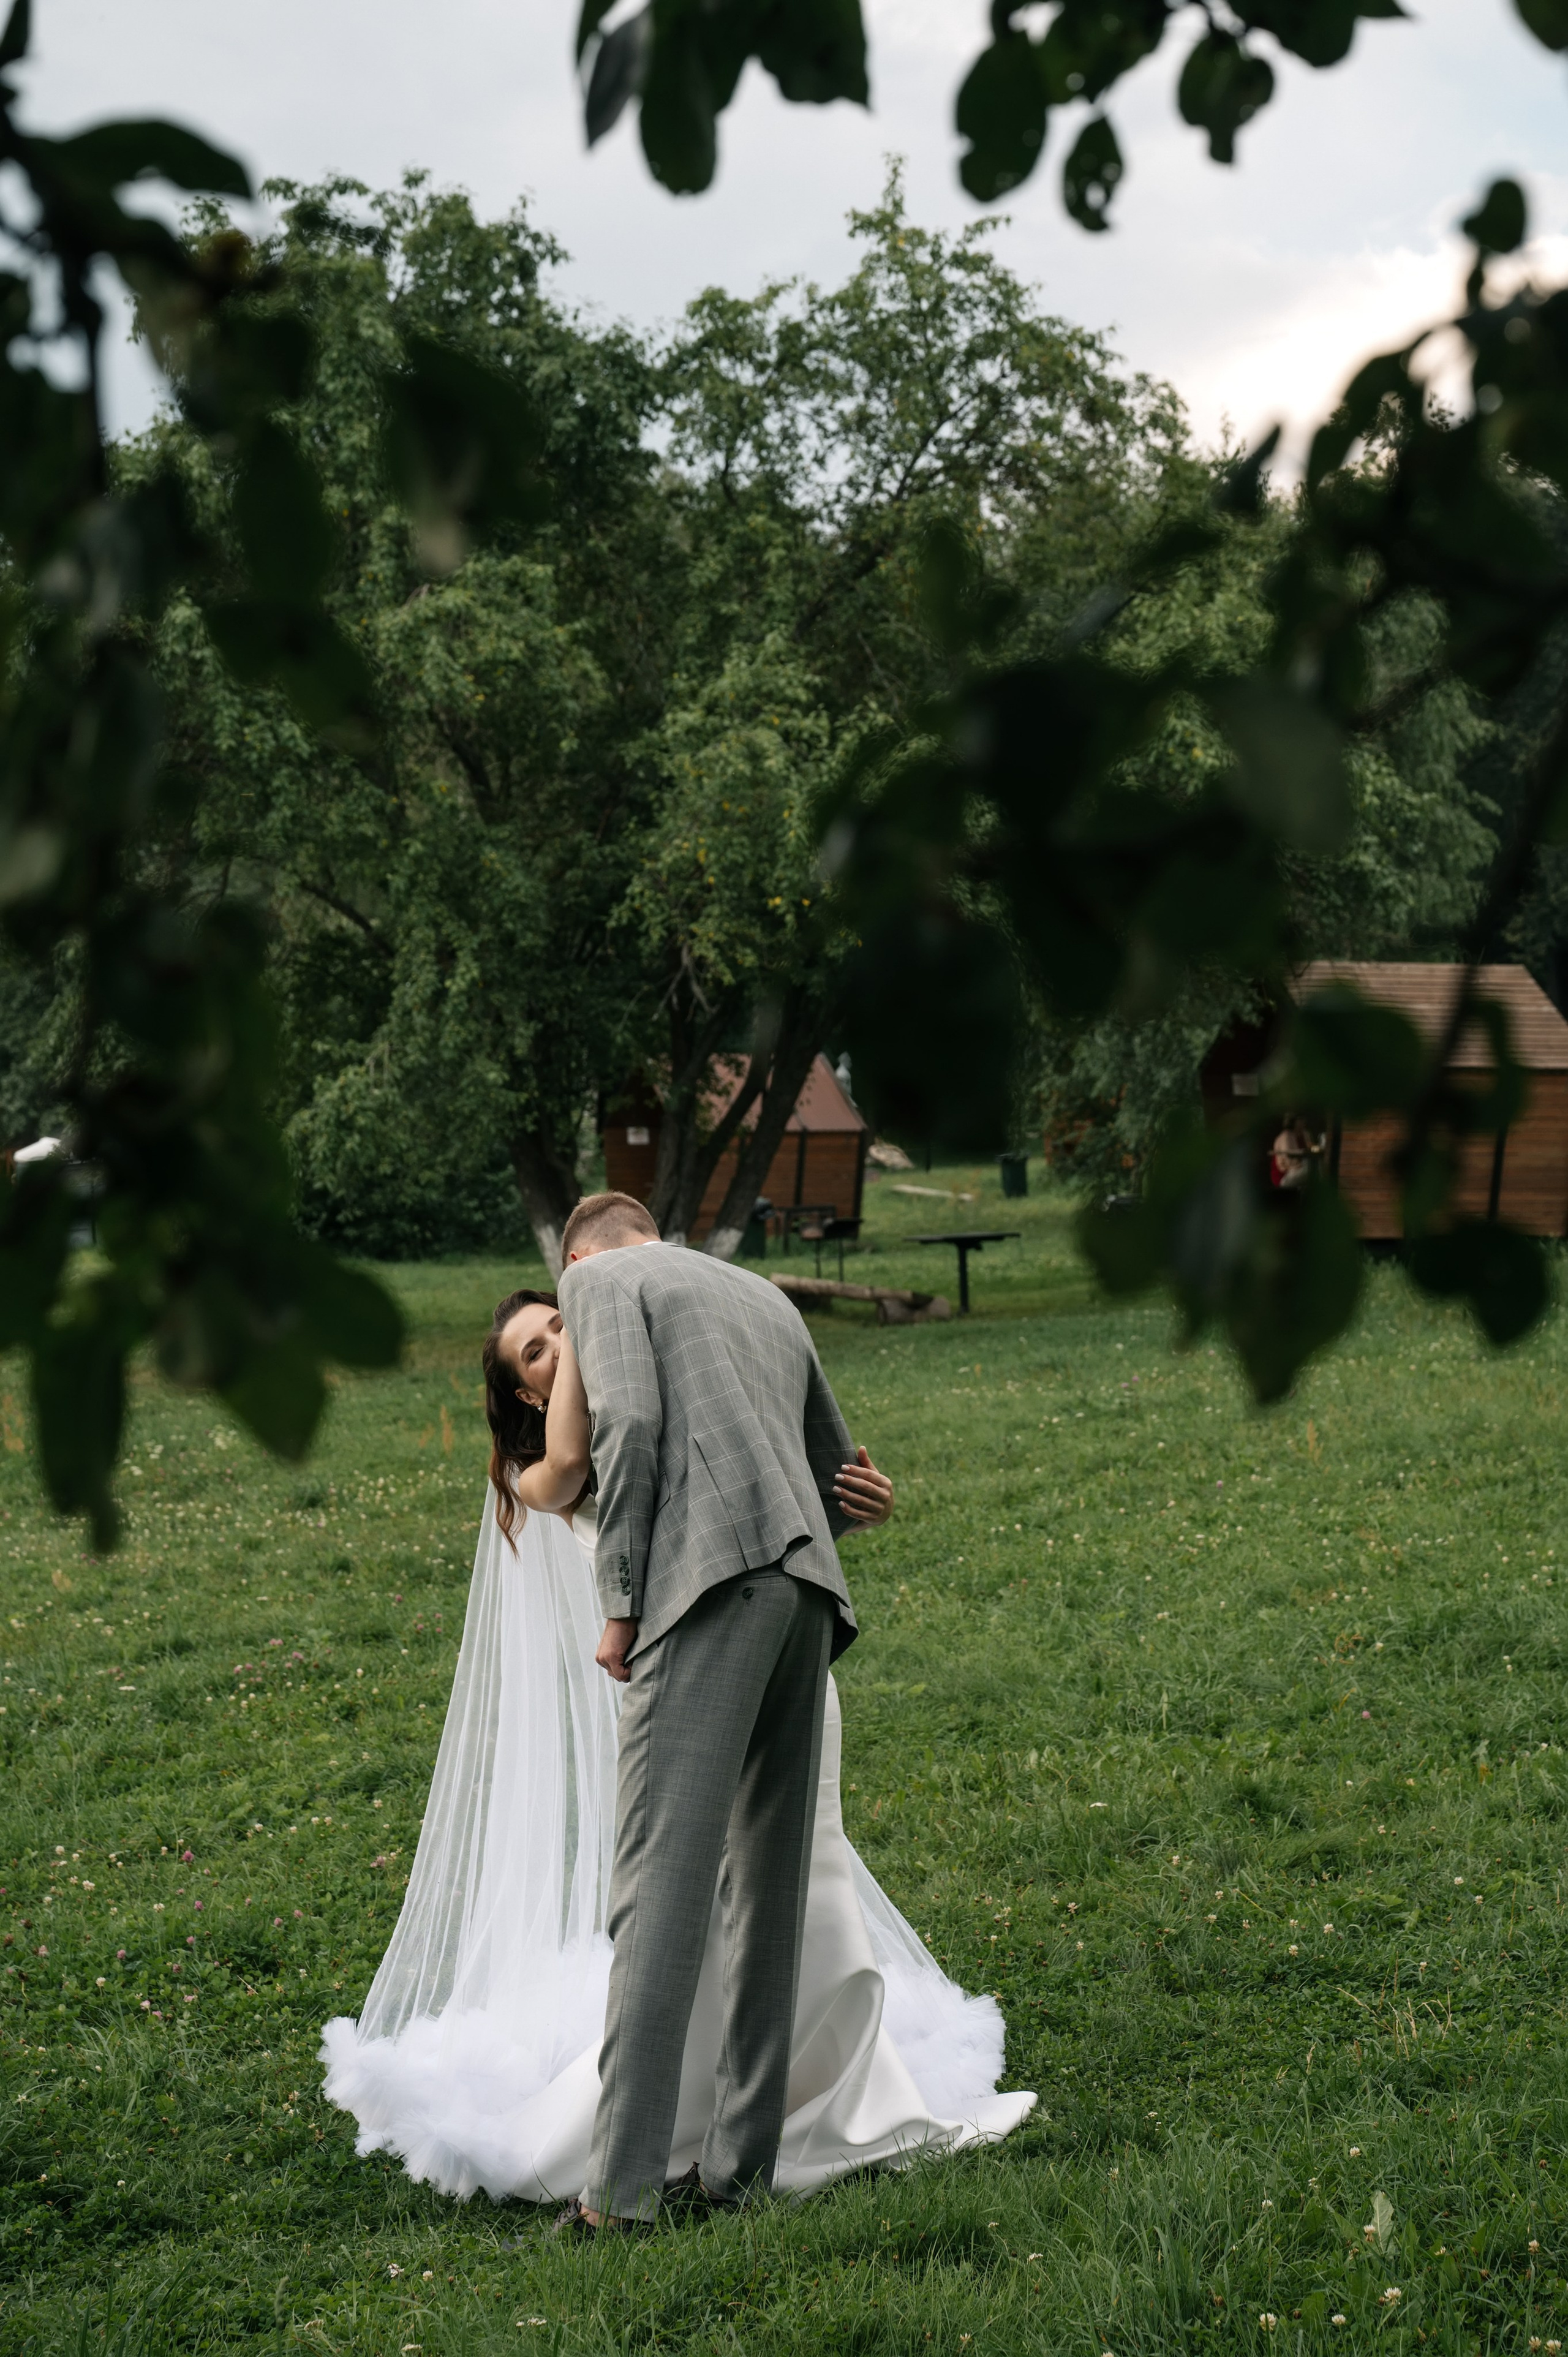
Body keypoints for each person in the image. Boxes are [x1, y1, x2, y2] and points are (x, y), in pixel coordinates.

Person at [320, 1212, 1035, 2213]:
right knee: (765, 1897)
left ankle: (620, 2195)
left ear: (579, 1267)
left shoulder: (607, 1288)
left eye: (561, 1317)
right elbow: (749, 1454)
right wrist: (833, 1511)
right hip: (802, 1599)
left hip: (705, 1608)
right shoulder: (749, 1295)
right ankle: (740, 2172)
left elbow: (647, 1434)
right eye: (539, 1348)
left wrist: (622, 1610)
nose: (566, 1334)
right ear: (525, 1391)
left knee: (664, 1900)